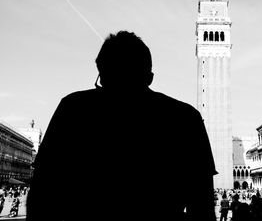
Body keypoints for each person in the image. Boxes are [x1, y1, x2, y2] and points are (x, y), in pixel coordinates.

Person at [26, 31, 217, 221]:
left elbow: (41, 191)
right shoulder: (185, 117)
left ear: (102, 74)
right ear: (149, 77)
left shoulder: (73, 109)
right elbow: (203, 204)